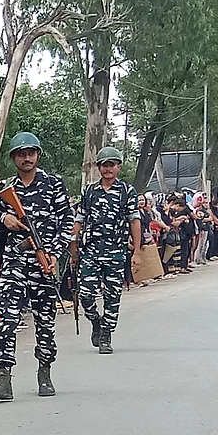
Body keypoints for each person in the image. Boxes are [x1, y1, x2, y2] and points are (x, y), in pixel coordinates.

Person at [0, 131, 74, 401]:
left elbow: (66, 222)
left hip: (44, 262)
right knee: (8, 318)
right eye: (22, 154)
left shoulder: (53, 184)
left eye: (31, 153)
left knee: (45, 320)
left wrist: (55, 253)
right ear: (14, 158)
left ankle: (44, 372)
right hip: (15, 261)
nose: (27, 158)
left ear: (38, 155)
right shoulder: (5, 188)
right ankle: (3, 378)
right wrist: (4, 220)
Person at [73, 147, 140, 355]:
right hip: (91, 250)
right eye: (104, 164)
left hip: (116, 250)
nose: (108, 168)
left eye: (112, 164)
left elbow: (134, 221)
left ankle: (106, 335)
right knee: (85, 294)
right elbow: (79, 219)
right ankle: (96, 321)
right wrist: (73, 243)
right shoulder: (89, 191)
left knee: (112, 296)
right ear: (99, 167)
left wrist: (136, 251)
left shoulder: (127, 192)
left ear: (118, 167)